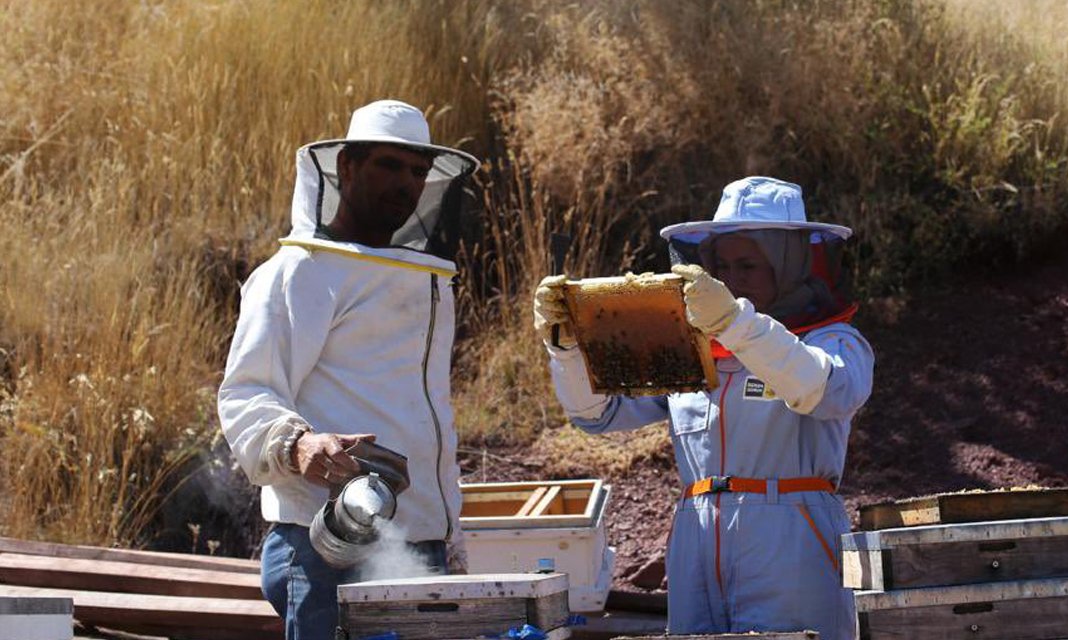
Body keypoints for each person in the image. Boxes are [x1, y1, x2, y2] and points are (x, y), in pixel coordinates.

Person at [534, 176, 874, 639]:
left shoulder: (833, 342)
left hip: (791, 536)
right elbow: (599, 415)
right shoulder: (688, 349)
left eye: (749, 265)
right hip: (696, 534)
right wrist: (569, 351)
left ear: (788, 265)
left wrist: (738, 324)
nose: (733, 279)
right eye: (722, 266)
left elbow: (824, 390)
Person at [218, 99, 479, 639]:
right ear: (347, 167)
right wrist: (300, 446)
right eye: (389, 164)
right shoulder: (299, 273)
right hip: (328, 544)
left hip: (419, 545)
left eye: (417, 170)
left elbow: (424, 416)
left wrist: (449, 531)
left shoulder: (424, 280)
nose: (406, 182)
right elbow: (246, 394)